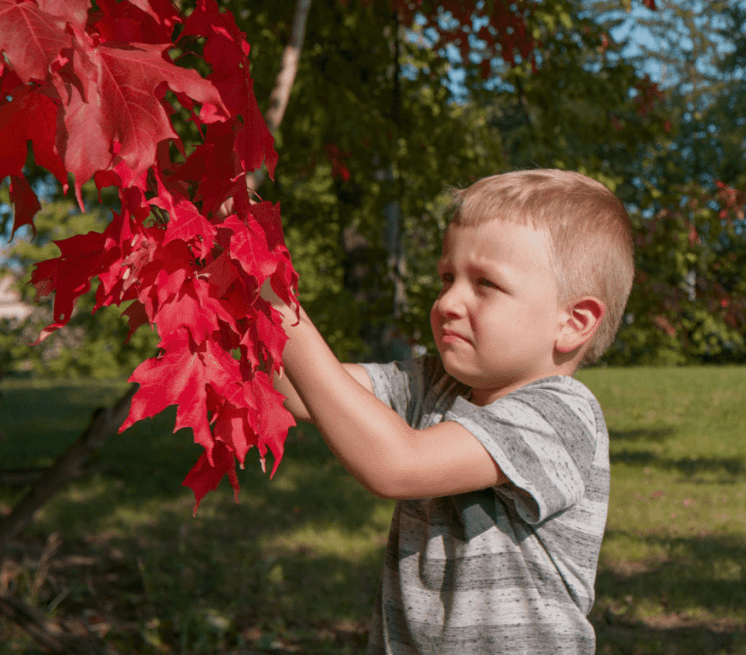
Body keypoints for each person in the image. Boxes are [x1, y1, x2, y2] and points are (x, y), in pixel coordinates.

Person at [263, 168, 635, 654]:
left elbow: (397, 465)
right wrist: (235, 288)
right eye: (447, 277)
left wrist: (272, 296)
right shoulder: (435, 382)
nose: (447, 302)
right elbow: (298, 390)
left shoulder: (562, 415)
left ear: (573, 323)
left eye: (485, 285)